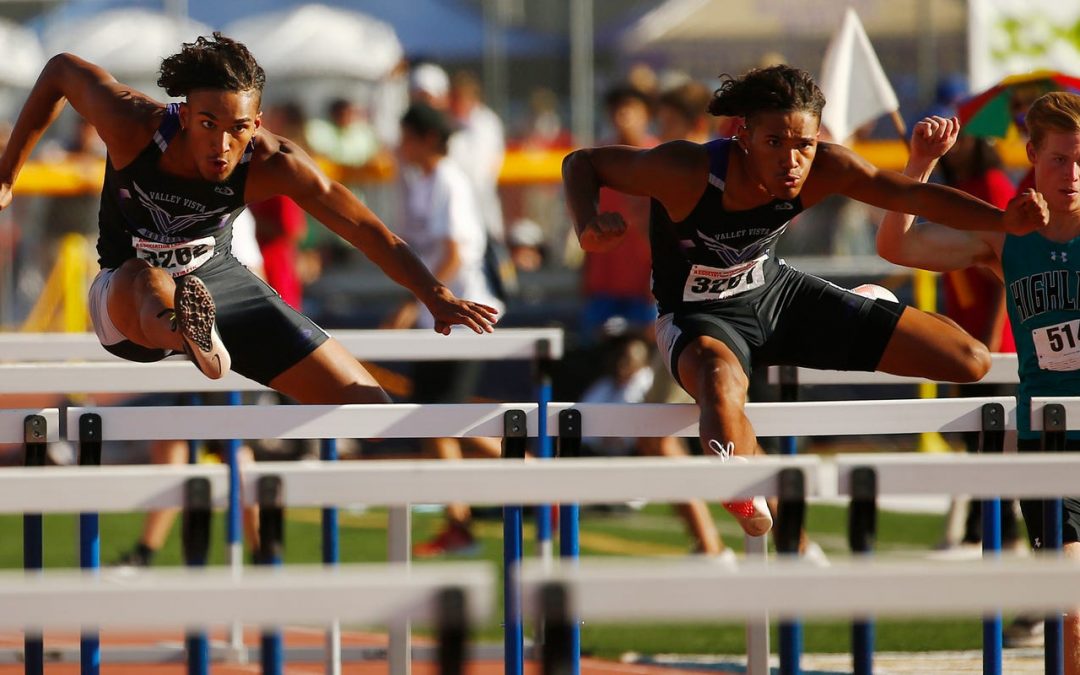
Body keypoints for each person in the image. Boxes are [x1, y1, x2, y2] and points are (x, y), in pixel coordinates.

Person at [562, 64, 1048, 538]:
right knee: (718, 383)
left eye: (804, 145)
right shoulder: (686, 170)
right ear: (744, 135)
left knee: (971, 362)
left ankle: (868, 305)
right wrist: (587, 223)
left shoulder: (826, 167)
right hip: (699, 318)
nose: (791, 161)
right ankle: (737, 480)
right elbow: (581, 162)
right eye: (775, 143)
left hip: (777, 297)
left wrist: (1005, 220)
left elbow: (911, 198)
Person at [0, 34, 497, 407]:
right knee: (148, 279)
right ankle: (187, 332)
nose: (221, 146)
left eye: (237, 129)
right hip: (127, 294)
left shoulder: (273, 162)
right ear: (185, 113)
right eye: (208, 126)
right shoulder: (133, 125)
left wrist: (435, 294)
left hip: (218, 283)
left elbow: (366, 230)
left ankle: (202, 327)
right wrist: (8, 173)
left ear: (256, 124)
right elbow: (61, 70)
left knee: (366, 405)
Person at [877, 96, 1080, 669]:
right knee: (1070, 610)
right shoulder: (1007, 236)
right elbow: (897, 247)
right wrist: (920, 164)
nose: (1072, 175)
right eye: (1061, 160)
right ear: (1033, 156)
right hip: (1050, 441)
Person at [385, 102, 505, 556]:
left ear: (426, 138)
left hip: (465, 316)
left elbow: (456, 250)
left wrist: (420, 296)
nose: (399, 146)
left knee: (444, 417)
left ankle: (541, 479)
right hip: (439, 316)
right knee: (437, 419)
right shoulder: (423, 183)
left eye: (406, 136)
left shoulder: (449, 181)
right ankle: (461, 521)